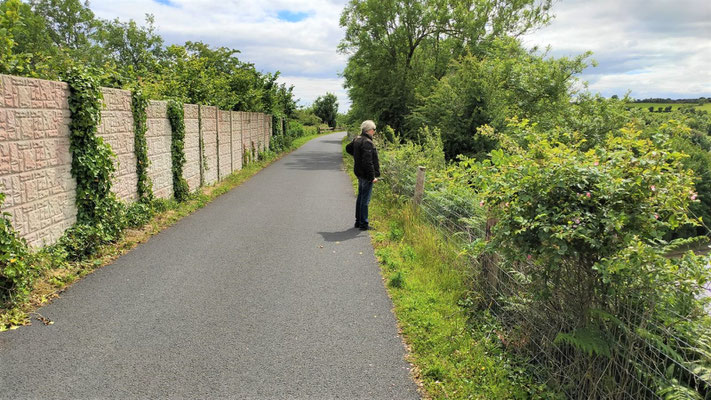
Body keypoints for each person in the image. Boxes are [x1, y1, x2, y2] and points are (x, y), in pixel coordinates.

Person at [348, 120, 380, 230]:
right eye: (374, 130)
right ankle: (364, 224)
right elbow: (368, 162)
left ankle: (358, 221)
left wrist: (357, 156)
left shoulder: (357, 139)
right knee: (365, 200)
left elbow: (348, 148)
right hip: (366, 174)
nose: (374, 132)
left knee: (361, 197)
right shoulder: (367, 142)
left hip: (359, 172)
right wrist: (372, 177)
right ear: (369, 130)